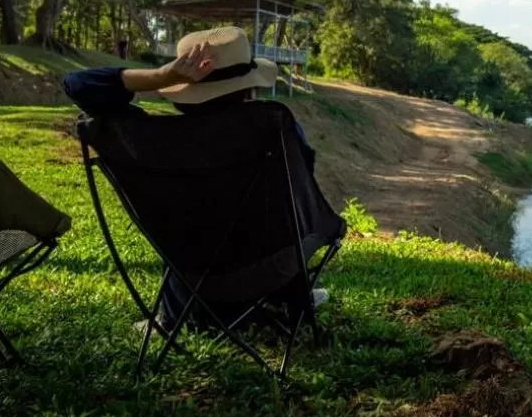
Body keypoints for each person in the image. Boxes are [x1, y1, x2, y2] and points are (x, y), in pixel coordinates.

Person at [64, 25, 332, 330]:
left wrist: (162, 76)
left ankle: (178, 317)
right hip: (273, 270)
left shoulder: (151, 142)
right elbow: (303, 187)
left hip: (192, 280)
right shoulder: (276, 131)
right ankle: (292, 302)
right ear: (248, 89)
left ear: (182, 95)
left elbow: (76, 84)